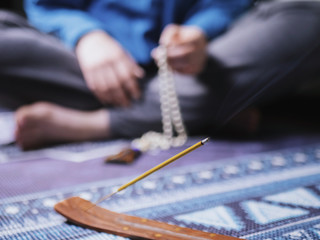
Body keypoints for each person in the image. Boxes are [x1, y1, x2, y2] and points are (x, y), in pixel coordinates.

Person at [0, 0, 320, 150]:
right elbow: (45, 5)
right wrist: (87, 36)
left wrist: (200, 32)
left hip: (201, 62)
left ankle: (96, 124)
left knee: (308, 15)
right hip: (82, 64)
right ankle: (207, 109)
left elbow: (226, 4)